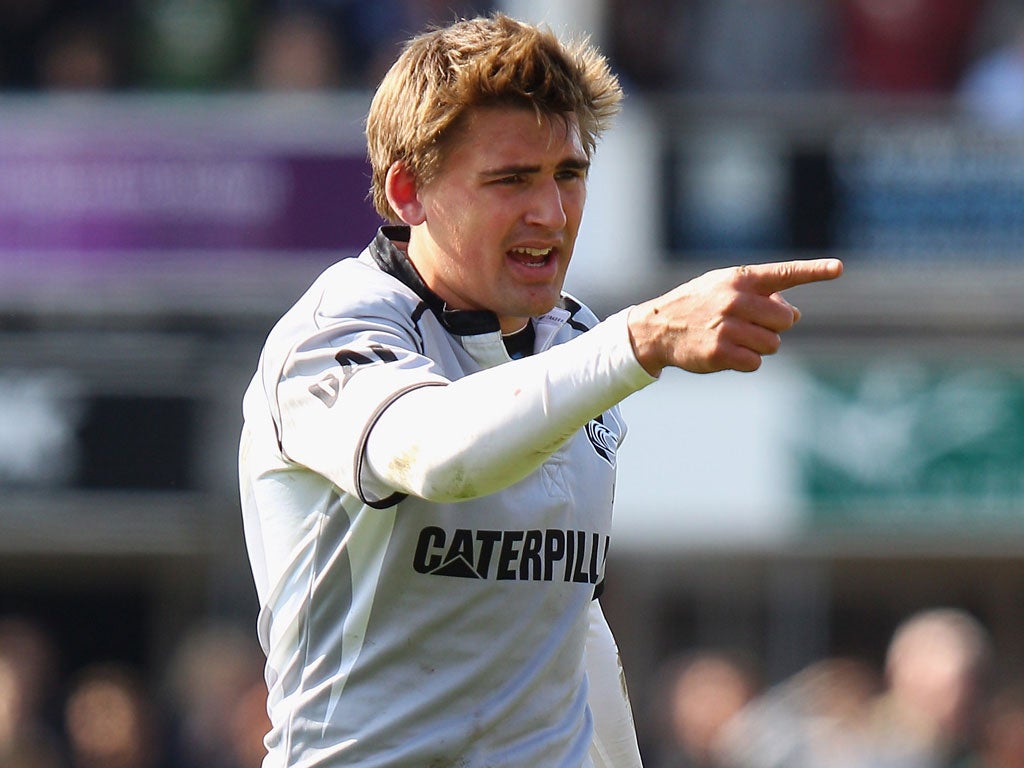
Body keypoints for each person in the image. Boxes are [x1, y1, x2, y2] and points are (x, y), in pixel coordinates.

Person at [237, 12, 843, 767]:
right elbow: (440, 454)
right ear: (407, 191)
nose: (551, 215)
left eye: (569, 174)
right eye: (511, 179)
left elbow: (564, 619)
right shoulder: (333, 333)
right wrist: (639, 340)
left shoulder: (572, 341)